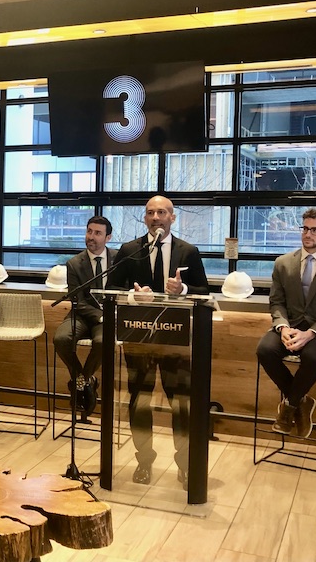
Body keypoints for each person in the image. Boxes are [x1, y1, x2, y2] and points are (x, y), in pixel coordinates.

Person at [107, 195, 208, 488]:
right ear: (144, 218)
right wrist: (131, 296)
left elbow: (203, 290)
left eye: (161, 212)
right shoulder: (129, 250)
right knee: (139, 401)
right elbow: (112, 287)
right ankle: (144, 461)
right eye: (150, 213)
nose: (155, 218)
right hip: (137, 337)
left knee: (181, 404)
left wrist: (183, 288)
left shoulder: (188, 251)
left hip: (175, 340)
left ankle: (185, 464)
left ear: (172, 218)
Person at [256, 208, 316, 439]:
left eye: (315, 230)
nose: (308, 234)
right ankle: (301, 401)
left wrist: (311, 333)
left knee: (312, 355)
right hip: (291, 326)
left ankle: (289, 407)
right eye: (305, 228)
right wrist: (282, 327)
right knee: (265, 349)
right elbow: (276, 302)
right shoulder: (283, 263)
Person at [53, 215, 112, 415]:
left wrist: (107, 315)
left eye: (97, 233)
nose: (91, 237)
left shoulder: (118, 260)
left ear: (108, 237)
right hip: (80, 314)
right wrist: (100, 315)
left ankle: (82, 381)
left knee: (104, 341)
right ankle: (85, 380)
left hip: (108, 317)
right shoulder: (74, 263)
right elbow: (77, 299)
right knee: (61, 338)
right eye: (89, 231)